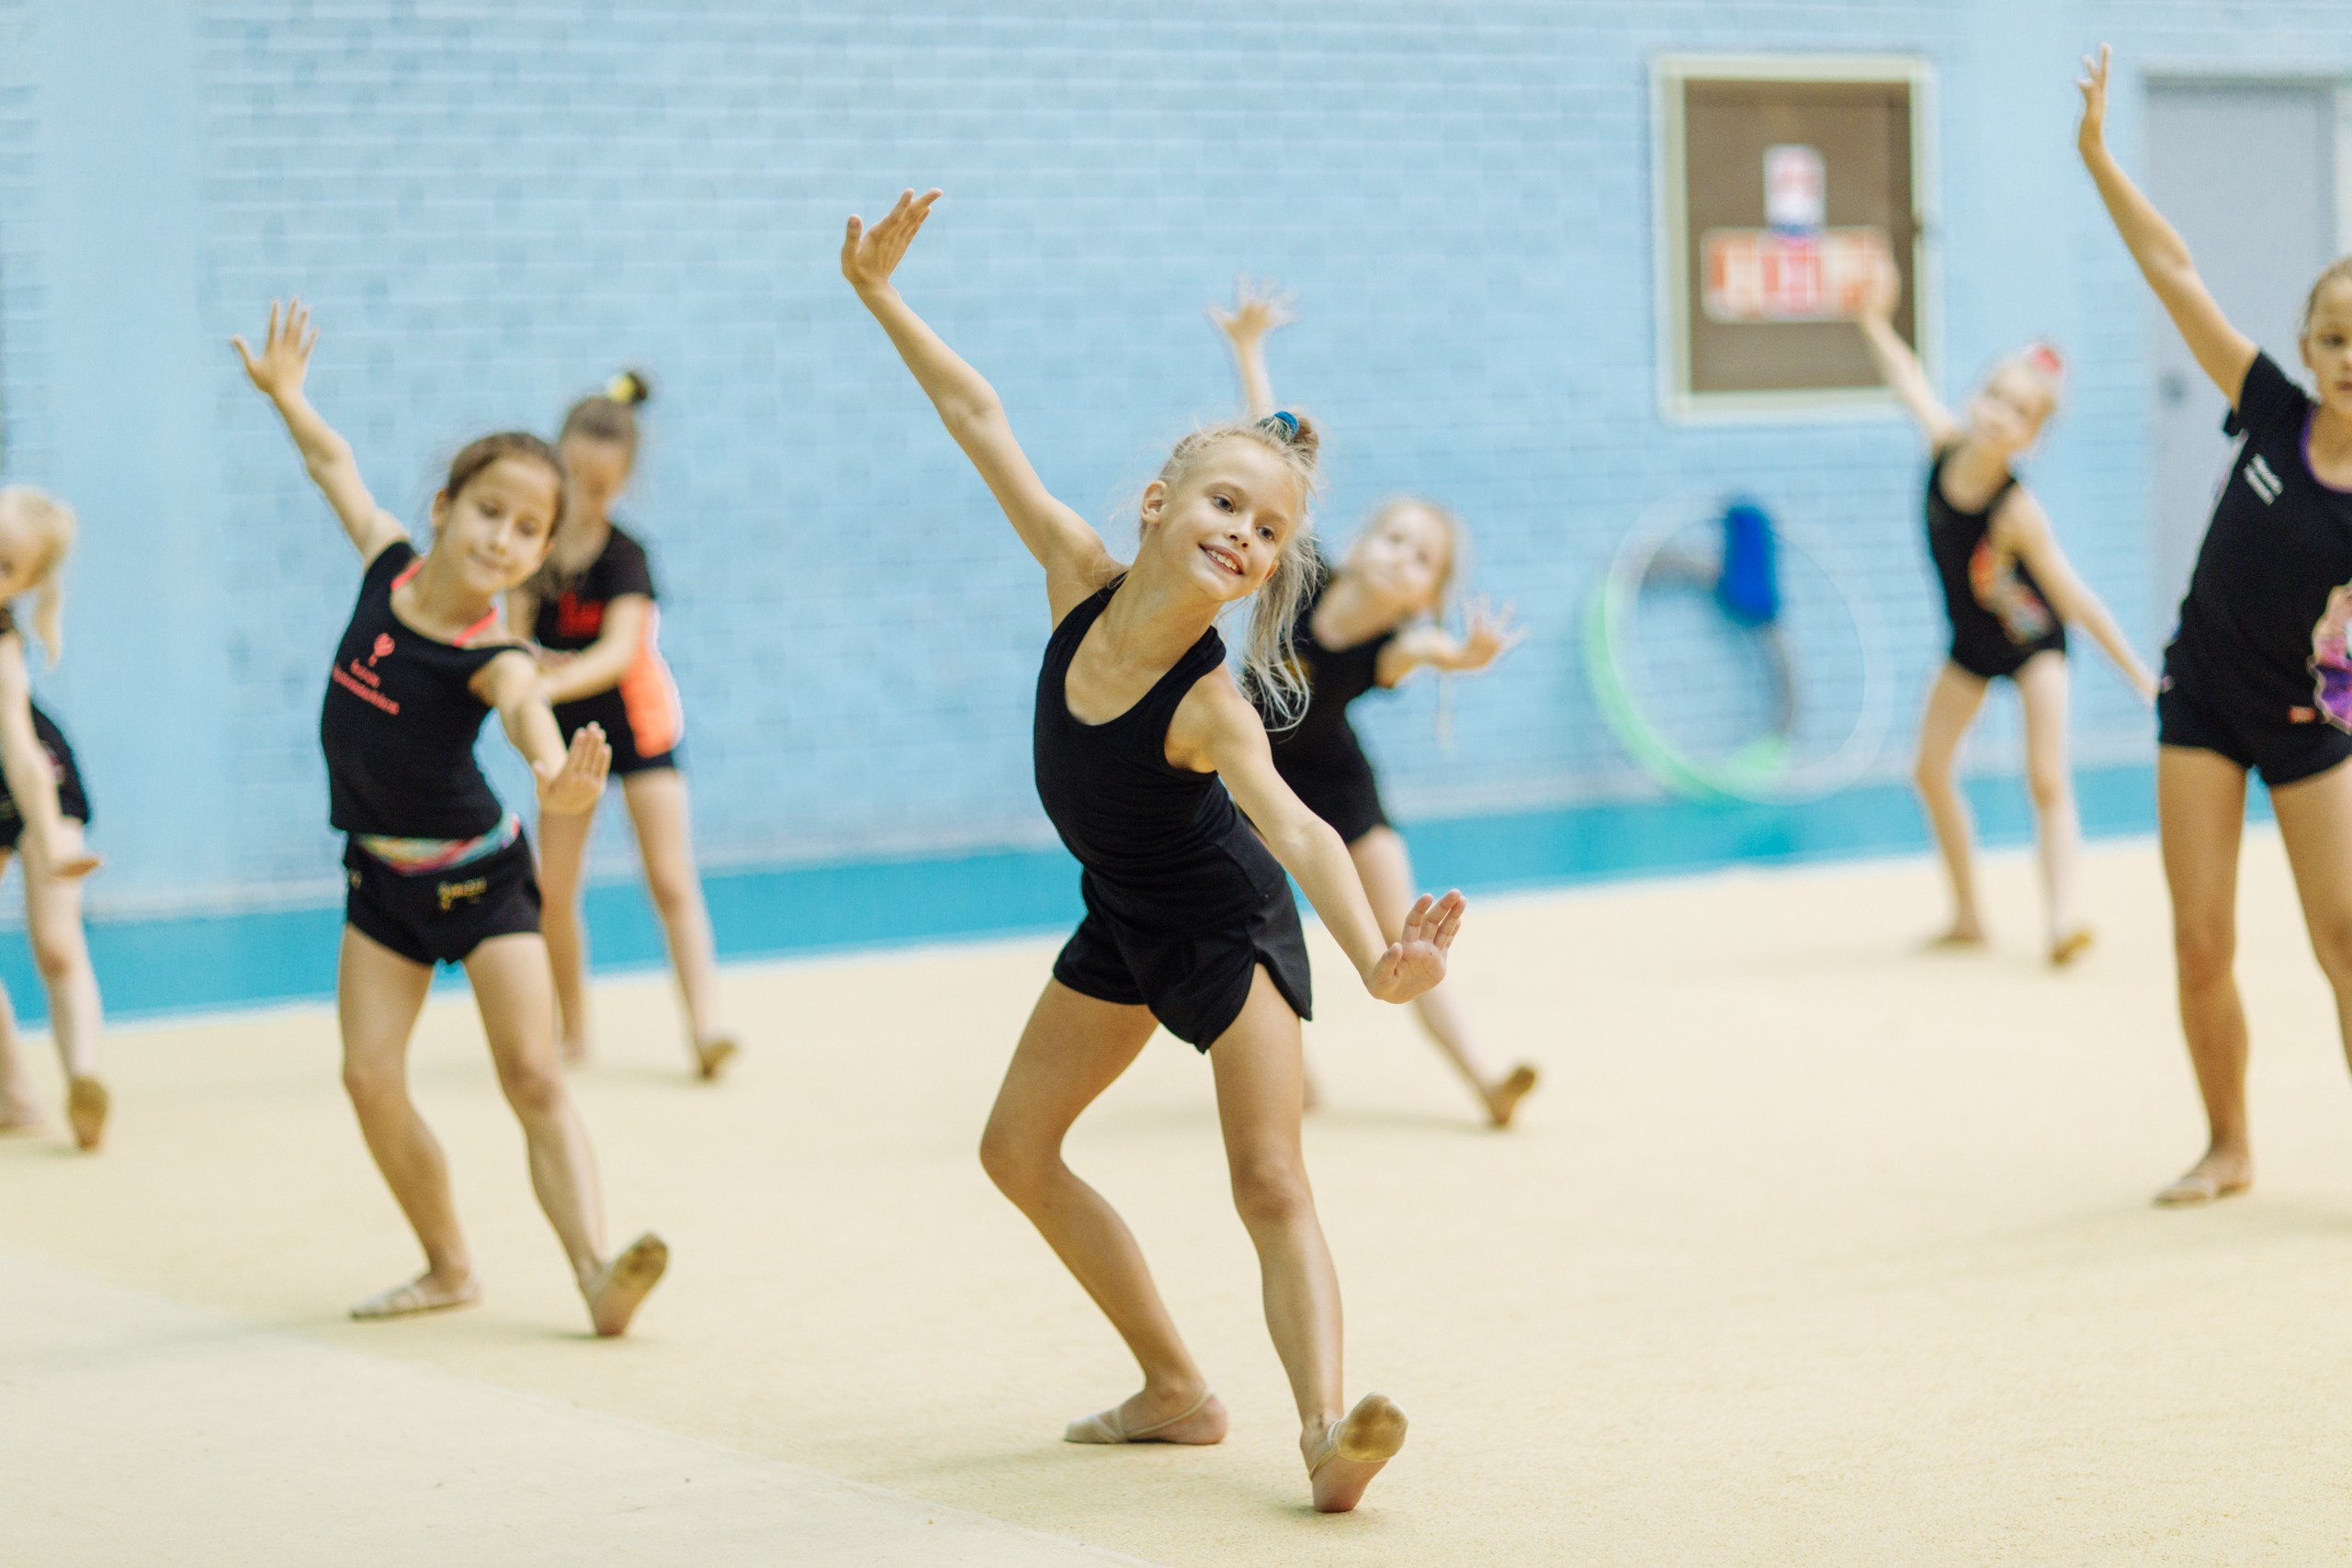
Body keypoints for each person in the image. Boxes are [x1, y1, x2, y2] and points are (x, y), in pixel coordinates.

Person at [844, 189, 1465, 1513]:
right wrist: (885, 297)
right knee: (1016, 1151)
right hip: (1120, 916)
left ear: (1263, 572)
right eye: (1224, 500)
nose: (1242, 529)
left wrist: (1376, 958)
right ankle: (1173, 1386)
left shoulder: (1213, 703)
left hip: (1226, 929)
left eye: (1268, 529)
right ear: (1155, 503)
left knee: (1268, 1173)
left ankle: (1320, 1429)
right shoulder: (1075, 574)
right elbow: (978, 420)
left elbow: (1298, 828)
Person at [236, 299, 668, 1330]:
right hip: (380, 879)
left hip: (479, 878)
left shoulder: (496, 653)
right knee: (368, 1078)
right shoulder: (386, 565)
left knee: (530, 1073)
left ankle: (595, 1271)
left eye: (530, 531)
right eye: (490, 512)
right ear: (442, 506)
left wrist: (556, 772)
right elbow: (335, 468)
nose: (505, 539)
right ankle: (447, 1266)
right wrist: (292, 400)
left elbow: (527, 712)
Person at [2077, 45, 2352, 1205]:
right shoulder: (2271, 411)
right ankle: (2228, 1145)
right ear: (2304, 346)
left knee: (2343, 944)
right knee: (2199, 942)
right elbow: (2170, 267)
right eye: (2335, 336)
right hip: (2200, 698)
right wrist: (2096, 154)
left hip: (2308, 721)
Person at [1212, 281, 1537, 1125]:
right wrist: (1250, 349)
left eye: (1422, 557)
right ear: (1362, 542)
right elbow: (1271, 450)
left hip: (1339, 782)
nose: (1402, 555)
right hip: (1251, 774)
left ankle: (1484, 1078)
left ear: (1423, 591)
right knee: (1247, 920)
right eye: (1395, 537)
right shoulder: (1300, 568)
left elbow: (1427, 652)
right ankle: (1287, 1069)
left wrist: (1462, 656)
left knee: (1405, 933)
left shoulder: (1395, 644)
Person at [1853, 248, 2157, 962]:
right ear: (1973, 399)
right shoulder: (1943, 444)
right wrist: (1871, 320)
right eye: (1994, 397)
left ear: (2034, 436)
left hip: (2031, 643)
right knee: (1928, 770)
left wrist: (2142, 677)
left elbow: (2073, 598)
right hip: (1969, 641)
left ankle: (2062, 922)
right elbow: (1906, 377)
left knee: (2045, 776)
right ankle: (1968, 915)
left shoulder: (2018, 510)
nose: (2000, 415)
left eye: (2020, 412)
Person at [507, 372, 734, 1079]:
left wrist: (547, 673)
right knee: (555, 889)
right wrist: (523, 677)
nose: (585, 493)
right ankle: (573, 1031)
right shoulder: (533, 555)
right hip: (565, 738)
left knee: (670, 878)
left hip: (637, 725)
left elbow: (616, 651)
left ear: (624, 482)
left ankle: (705, 1026)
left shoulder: (625, 556)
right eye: (573, 477)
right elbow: (511, 639)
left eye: (601, 484)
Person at [0, 485, 107, 1150]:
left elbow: (21, 751)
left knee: (59, 945)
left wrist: (48, 837)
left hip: (34, 780)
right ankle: (16, 1093)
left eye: (7, 566)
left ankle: (86, 1078)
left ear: (29, 582)